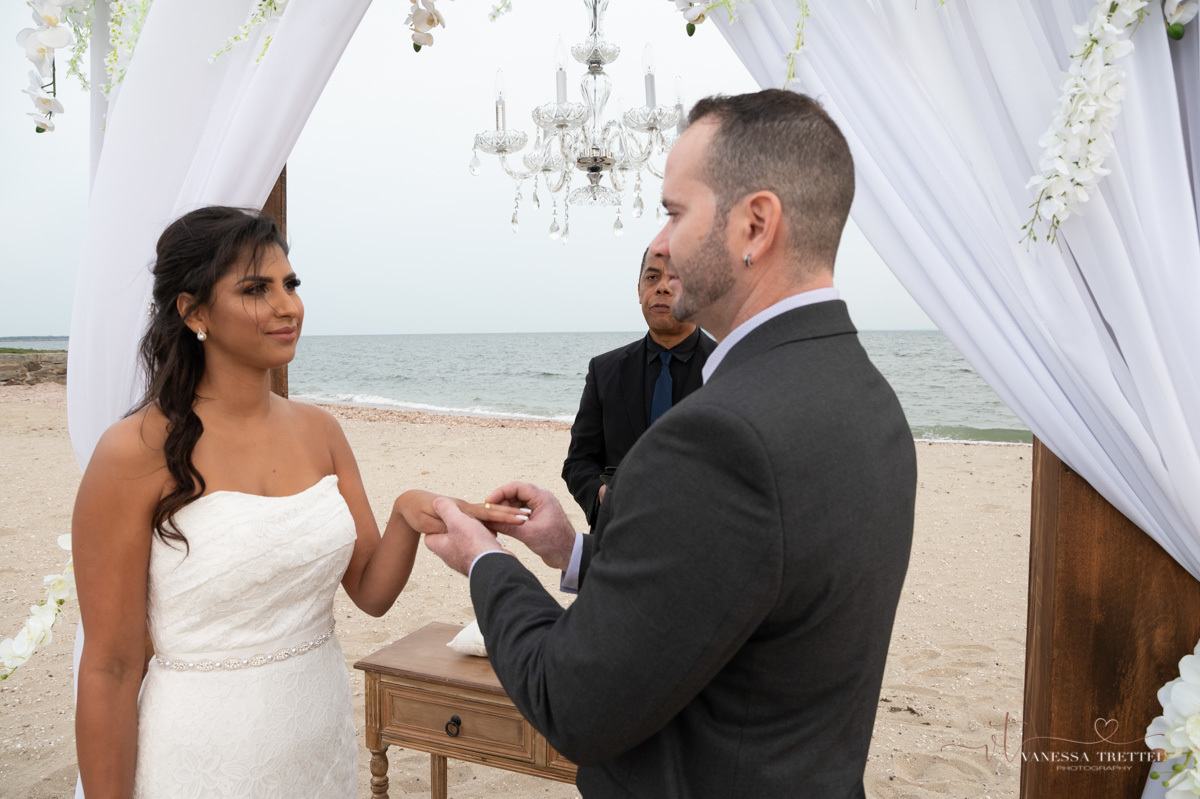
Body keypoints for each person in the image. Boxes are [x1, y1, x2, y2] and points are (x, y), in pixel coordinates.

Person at [424, 89, 917, 798]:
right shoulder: (868, 396)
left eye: (675, 211)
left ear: (755, 224)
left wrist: (483, 558)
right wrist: (573, 552)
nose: (661, 244)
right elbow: (729, 597)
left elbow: (574, 701)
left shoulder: (719, 437)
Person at [70, 207, 527, 799]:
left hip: (318, 745)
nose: (288, 306)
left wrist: (406, 515)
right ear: (193, 311)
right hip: (200, 758)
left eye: (291, 284)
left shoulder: (320, 431)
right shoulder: (133, 452)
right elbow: (109, 670)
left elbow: (370, 592)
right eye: (256, 289)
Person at [562, 248, 715, 526]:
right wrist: (600, 494)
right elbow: (578, 462)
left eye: (676, 279)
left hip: (706, 542)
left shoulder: (732, 367)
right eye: (652, 277)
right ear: (639, 290)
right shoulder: (604, 370)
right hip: (618, 540)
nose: (662, 289)